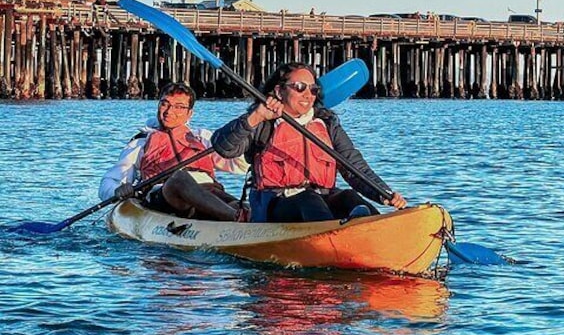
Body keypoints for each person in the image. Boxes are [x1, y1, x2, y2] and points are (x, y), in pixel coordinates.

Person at [211, 62, 407, 223]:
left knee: (349, 197)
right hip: (275, 205)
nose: (308, 95)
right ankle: (332, 242)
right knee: (308, 199)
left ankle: (377, 234)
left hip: (321, 199)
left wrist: (383, 193)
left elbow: (354, 167)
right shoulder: (263, 122)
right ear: (279, 91)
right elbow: (224, 148)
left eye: (313, 89)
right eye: (299, 87)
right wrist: (255, 117)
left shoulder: (326, 123)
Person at [99, 82, 249, 221]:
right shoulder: (141, 143)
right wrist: (117, 190)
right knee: (179, 178)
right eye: (165, 104)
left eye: (179, 107)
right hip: (167, 195)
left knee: (242, 205)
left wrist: (241, 133)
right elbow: (108, 182)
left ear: (189, 113)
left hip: (208, 193)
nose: (169, 111)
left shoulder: (202, 137)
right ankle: (236, 218)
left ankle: (242, 217)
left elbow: (241, 165)